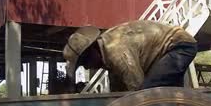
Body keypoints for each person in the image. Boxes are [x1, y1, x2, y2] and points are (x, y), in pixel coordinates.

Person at [63, 20, 198, 91]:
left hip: (178, 45)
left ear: (92, 51)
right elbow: (119, 91)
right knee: (165, 95)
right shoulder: (107, 54)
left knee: (148, 92)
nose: (87, 68)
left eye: (85, 62)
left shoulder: (117, 53)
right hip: (162, 53)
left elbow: (136, 89)